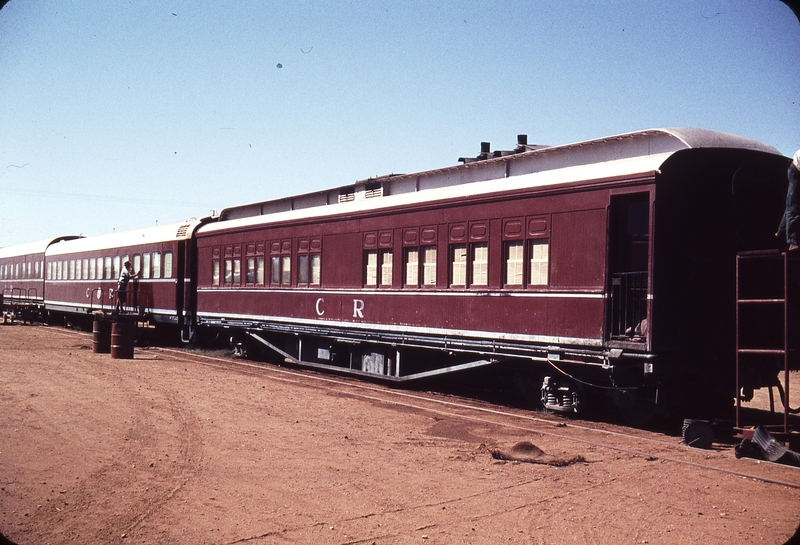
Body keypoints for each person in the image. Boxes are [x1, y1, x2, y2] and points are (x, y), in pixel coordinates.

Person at [777, 148, 800, 252]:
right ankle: (791, 241)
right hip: (796, 170)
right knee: (793, 207)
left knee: (791, 204)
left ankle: (781, 231)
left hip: (796, 169)